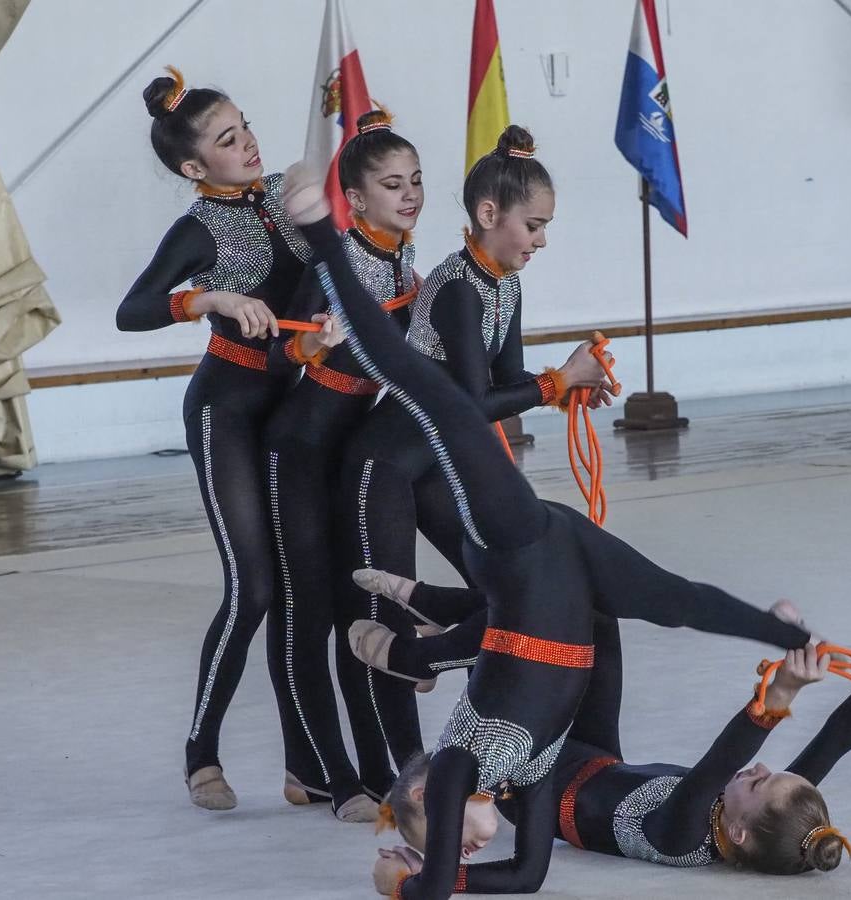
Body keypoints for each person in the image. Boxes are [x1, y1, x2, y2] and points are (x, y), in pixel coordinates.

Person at [278, 159, 812, 898]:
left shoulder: (462, 763)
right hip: (572, 588)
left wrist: (409, 882)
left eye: (452, 837)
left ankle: (321, 239)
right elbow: (526, 879)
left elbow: (440, 882)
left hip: (521, 548)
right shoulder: (525, 778)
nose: (469, 845)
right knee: (674, 600)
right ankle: (781, 630)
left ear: (437, 799)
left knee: (422, 384)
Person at [329, 124, 615, 795]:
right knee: (384, 619)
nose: (541, 241)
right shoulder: (458, 285)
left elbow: (505, 386)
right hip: (386, 467)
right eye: (534, 226)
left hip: (435, 466)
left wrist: (570, 385)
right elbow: (471, 402)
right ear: (490, 216)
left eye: (545, 227)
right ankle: (399, 772)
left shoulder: (505, 286)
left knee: (511, 591)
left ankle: (498, 720)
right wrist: (557, 381)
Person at [370, 603, 851, 892]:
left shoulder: (685, 835)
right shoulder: (751, 814)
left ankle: (435, 649)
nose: (761, 769)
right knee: (593, 609)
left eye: (758, 782)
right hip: (597, 753)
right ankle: (453, 630)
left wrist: (779, 694)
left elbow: (721, 759)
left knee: (527, 672)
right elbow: (834, 744)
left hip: (536, 783)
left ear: (739, 834)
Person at [117, 67, 341, 812]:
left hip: (296, 404)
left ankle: (306, 766)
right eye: (225, 139)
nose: (246, 143)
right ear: (192, 167)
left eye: (243, 126)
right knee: (253, 588)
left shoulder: (283, 192)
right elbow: (133, 310)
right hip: (228, 408)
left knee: (306, 593)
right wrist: (206, 297)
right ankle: (200, 754)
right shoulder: (198, 230)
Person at [259, 109, 426, 815]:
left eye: (416, 180)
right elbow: (279, 351)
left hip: (351, 456)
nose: (410, 194)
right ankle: (332, 775)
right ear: (354, 200)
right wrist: (311, 345)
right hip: (298, 450)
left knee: (362, 610)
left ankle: (378, 766)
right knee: (310, 612)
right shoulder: (336, 261)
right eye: (392, 184)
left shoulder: (406, 263)